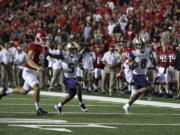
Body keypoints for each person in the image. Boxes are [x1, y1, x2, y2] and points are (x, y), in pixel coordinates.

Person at [0, 31, 49, 115]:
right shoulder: (34, 46)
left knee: (24, 91)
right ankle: (38, 109)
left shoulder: (44, 47)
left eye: (46, 39)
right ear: (38, 39)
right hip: (28, 71)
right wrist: (37, 67)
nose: (45, 41)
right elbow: (28, 60)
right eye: (43, 39)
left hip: (34, 72)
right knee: (37, 87)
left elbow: (43, 57)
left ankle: (6, 91)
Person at [47, 41, 88, 114]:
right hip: (67, 78)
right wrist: (49, 54)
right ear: (67, 49)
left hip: (73, 78)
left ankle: (58, 105)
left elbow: (79, 63)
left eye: (74, 49)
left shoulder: (78, 55)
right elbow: (56, 56)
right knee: (78, 85)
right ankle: (81, 103)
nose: (73, 51)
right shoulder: (64, 55)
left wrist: (82, 68)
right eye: (71, 49)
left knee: (71, 96)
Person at [123, 37, 153, 114]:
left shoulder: (148, 51)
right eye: (138, 44)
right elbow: (128, 63)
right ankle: (129, 103)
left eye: (141, 44)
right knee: (149, 87)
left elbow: (151, 58)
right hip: (137, 75)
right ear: (136, 45)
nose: (140, 46)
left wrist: (154, 62)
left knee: (136, 95)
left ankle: (127, 105)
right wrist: (132, 65)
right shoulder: (133, 53)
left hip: (142, 74)